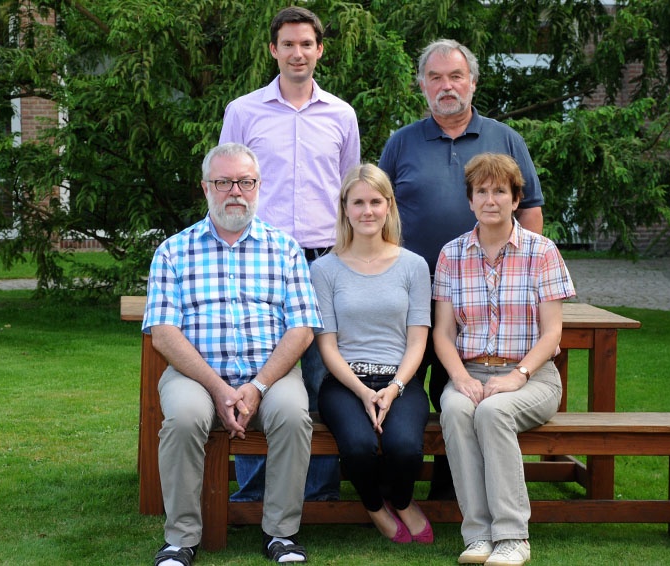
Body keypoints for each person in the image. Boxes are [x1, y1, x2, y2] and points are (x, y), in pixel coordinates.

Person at [378, 38, 545, 500]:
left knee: (460, 387)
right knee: (409, 386)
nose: (446, 86)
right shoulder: (401, 142)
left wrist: (527, 276)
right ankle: (395, 485)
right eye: (435, 77)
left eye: (455, 76)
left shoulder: (505, 139)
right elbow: (378, 211)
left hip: (481, 294)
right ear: (422, 85)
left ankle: (451, 490)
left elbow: (530, 209)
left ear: (472, 82)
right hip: (411, 294)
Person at [144, 143, 321, 565]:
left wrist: (257, 386)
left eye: (245, 182)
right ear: (206, 188)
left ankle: (281, 534)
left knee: (293, 415)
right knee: (184, 417)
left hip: (271, 374)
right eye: (223, 182)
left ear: (259, 186)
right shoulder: (173, 250)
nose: (235, 191)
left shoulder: (285, 249)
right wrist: (219, 388)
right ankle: (181, 539)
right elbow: (164, 334)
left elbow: (302, 329)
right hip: (195, 376)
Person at [219, 5, 360, 502]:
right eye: (288, 44)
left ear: (319, 50)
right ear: (273, 50)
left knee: (322, 372)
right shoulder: (243, 112)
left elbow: (350, 191)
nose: (297, 53)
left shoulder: (341, 115)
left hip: (324, 258)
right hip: (260, 259)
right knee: (256, 368)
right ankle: (255, 489)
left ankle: (318, 491)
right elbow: (227, 181)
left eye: (306, 44)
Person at [432, 153, 575, 566]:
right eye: (481, 191)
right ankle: (478, 535)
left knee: (493, 412)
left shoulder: (542, 251)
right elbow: (443, 333)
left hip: (533, 377)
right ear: (470, 200)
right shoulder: (451, 254)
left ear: (516, 199)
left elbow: (552, 333)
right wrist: (459, 378)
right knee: (456, 410)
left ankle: (513, 537)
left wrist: (518, 375)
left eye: (499, 191)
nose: (490, 199)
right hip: (471, 371)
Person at [311, 164, 433, 544]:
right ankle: (375, 507)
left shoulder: (413, 266)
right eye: (358, 202)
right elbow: (327, 345)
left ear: (389, 206)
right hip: (344, 383)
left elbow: (418, 341)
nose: (367, 211)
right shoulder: (324, 269)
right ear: (345, 208)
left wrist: (393, 388)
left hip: (400, 380)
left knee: (405, 448)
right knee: (359, 447)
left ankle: (401, 499)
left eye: (375, 202)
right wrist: (363, 392)